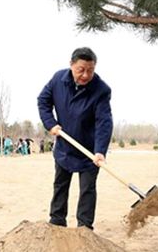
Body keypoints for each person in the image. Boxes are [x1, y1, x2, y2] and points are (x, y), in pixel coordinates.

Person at [37, 47, 113, 230]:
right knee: (60, 186)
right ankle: (57, 222)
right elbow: (43, 101)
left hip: (89, 151)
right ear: (71, 65)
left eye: (90, 70)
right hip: (64, 146)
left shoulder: (101, 90)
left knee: (87, 189)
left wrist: (100, 151)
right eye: (81, 69)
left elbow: (104, 122)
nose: (85, 75)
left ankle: (85, 228)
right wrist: (50, 123)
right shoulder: (58, 80)